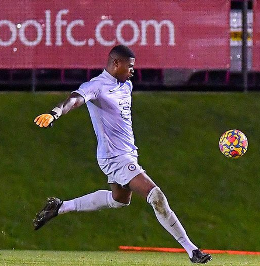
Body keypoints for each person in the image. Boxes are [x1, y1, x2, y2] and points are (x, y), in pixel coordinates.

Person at [33, 45, 212, 264]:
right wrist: (55, 113)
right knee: (156, 196)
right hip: (115, 157)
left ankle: (60, 207)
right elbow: (74, 99)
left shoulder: (126, 85)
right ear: (116, 63)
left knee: (119, 200)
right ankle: (192, 250)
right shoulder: (97, 86)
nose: (133, 70)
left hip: (127, 155)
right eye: (130, 65)